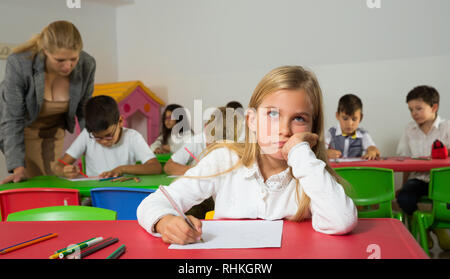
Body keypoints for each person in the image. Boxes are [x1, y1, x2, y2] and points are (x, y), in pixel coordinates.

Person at [137, 66, 358, 245]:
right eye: (272, 114)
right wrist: (165, 222)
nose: (284, 129)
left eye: (299, 118)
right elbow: (151, 203)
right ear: (251, 120)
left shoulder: (310, 172)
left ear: (313, 128)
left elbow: (342, 221)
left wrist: (300, 152)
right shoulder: (223, 159)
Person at [0, 20, 96, 184]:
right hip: (23, 128)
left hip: (55, 129)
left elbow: (84, 111)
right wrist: (17, 167)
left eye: (73, 59)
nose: (68, 66)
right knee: (32, 180)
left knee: (54, 177)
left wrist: (96, 143)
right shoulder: (20, 63)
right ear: (45, 51)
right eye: (60, 60)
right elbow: (12, 118)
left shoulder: (87, 64)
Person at [52, 95, 161, 179]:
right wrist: (64, 171)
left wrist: (122, 169)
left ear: (120, 121)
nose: (103, 141)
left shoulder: (132, 137)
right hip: (93, 194)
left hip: (122, 190)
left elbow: (155, 167)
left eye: (108, 136)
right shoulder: (86, 135)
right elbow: (58, 166)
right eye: (97, 138)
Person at [396, 85, 450, 250]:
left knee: (444, 201)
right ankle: (425, 229)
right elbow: (405, 160)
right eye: (411, 109)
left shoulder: (447, 127)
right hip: (419, 179)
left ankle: (437, 225)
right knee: (404, 197)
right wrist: (403, 185)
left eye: (419, 108)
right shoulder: (409, 129)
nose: (414, 113)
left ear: (434, 107)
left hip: (442, 180)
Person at [163, 106, 243, 176]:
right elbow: (169, 166)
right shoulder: (196, 140)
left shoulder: (239, 142)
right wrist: (200, 171)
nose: (210, 144)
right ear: (206, 127)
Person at [325, 94, 380, 160]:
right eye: (345, 118)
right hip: (335, 169)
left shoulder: (363, 134)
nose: (349, 123)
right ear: (337, 116)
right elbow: (319, 151)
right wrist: (326, 153)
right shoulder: (330, 133)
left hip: (355, 169)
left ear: (361, 118)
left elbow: (372, 148)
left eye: (354, 119)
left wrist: (372, 151)